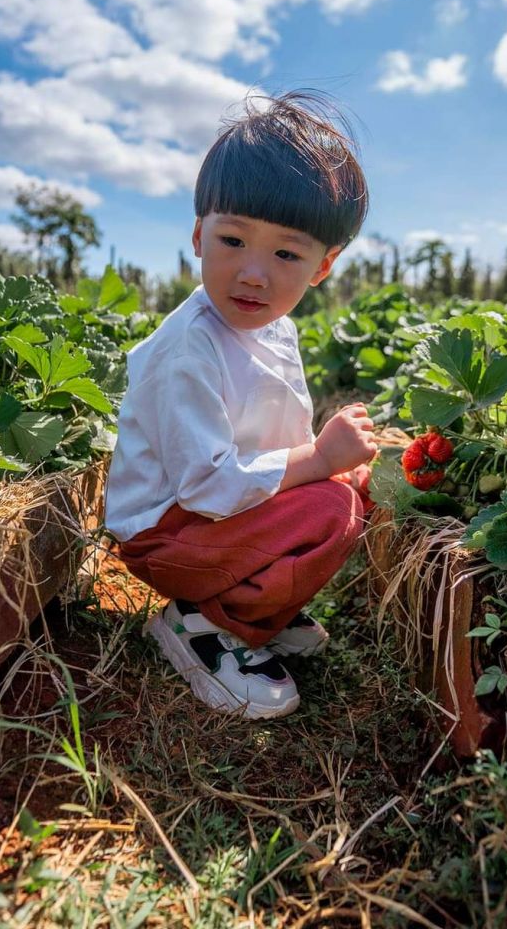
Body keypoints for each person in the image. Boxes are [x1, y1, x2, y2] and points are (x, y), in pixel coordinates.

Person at [104, 92, 377, 720]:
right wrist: (316, 462)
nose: (253, 273)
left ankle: (252, 607)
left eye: (286, 253)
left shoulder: (272, 328)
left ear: (322, 268)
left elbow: (276, 438)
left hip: (211, 517)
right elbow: (204, 485)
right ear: (199, 236)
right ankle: (201, 623)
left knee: (344, 494)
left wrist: (330, 465)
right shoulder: (189, 348)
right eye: (232, 240)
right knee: (329, 507)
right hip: (165, 530)